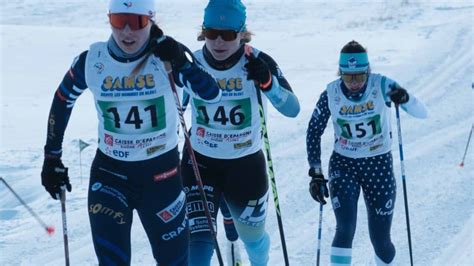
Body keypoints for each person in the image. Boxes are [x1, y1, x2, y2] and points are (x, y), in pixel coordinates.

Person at [40, 0, 221, 265]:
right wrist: (51, 157)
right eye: (118, 20)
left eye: (136, 22)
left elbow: (212, 94)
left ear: (150, 20)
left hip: (162, 179)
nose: (126, 32)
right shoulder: (93, 60)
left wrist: (183, 64)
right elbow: (62, 100)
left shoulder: (168, 56)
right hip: (110, 176)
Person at [181, 0, 300, 265]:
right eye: (212, 33)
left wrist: (269, 83)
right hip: (200, 163)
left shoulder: (258, 61)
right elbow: (173, 105)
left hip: (245, 166)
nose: (219, 42)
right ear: (203, 31)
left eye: (228, 35)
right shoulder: (192, 63)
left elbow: (293, 109)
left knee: (253, 241)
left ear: (242, 33)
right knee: (198, 243)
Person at [306, 40, 428, 265]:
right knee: (345, 228)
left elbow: (423, 113)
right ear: (340, 72)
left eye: (360, 76)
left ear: (368, 71)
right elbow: (313, 131)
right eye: (348, 76)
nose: (354, 83)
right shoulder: (331, 93)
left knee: (381, 239)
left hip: (378, 165)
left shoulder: (382, 85)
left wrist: (406, 98)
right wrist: (316, 173)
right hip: (344, 165)